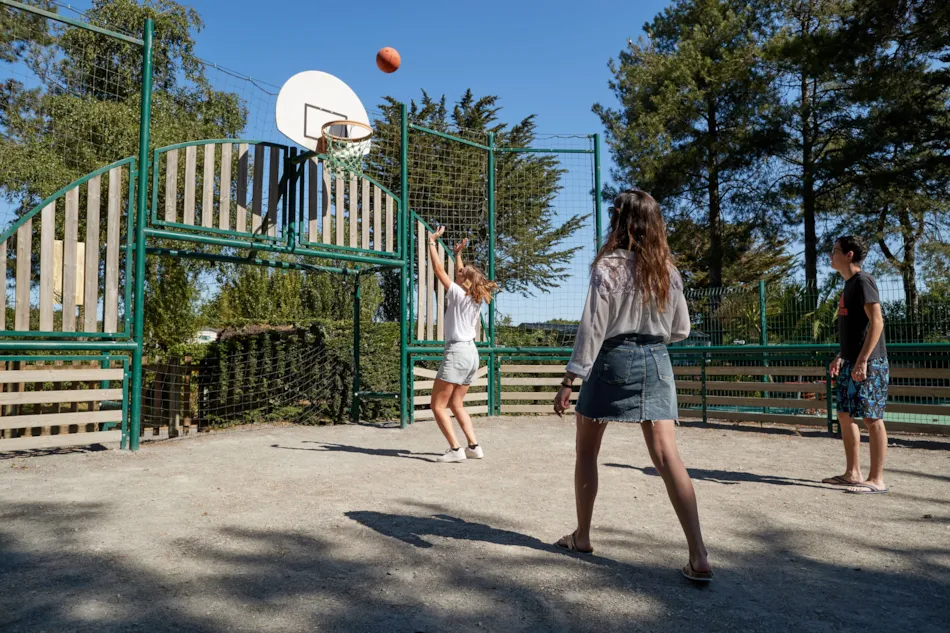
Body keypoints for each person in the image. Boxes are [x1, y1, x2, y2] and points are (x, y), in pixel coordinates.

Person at [553, 188, 712, 582]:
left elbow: (592, 328)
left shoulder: (607, 267)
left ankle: (583, 536)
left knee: (587, 451)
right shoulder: (668, 271)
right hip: (657, 361)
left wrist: (569, 378)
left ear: (619, 220)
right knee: (667, 456)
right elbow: (681, 329)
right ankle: (699, 554)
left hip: (611, 359)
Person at [822, 235, 889, 494]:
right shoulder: (848, 284)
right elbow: (855, 328)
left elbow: (877, 322)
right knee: (845, 414)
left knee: (872, 417)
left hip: (869, 362)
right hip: (851, 360)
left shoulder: (863, 281)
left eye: (835, 250)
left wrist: (862, 360)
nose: (831, 255)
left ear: (849, 255)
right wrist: (842, 355)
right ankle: (853, 473)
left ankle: (876, 479)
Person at [427, 226, 499, 463]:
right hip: (471, 353)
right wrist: (458, 254)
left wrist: (432, 243)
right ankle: (474, 446)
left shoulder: (458, 293)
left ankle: (456, 449)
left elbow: (439, 270)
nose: (457, 275)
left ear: (465, 282)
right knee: (456, 403)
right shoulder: (476, 297)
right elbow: (462, 273)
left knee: (437, 406)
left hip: (458, 351)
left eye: (460, 276)